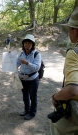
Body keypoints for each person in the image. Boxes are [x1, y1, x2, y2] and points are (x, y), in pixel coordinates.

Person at [50, 7, 78, 135]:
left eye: (69, 28)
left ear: (75, 31)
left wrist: (56, 97)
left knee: (57, 124)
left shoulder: (74, 54)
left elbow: (72, 89)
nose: (68, 32)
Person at [17, 34, 41, 120]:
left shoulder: (37, 54)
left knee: (33, 96)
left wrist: (27, 63)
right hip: (23, 79)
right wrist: (9, 57)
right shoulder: (21, 54)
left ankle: (32, 113)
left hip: (33, 79)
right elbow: (16, 63)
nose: (27, 45)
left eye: (29, 43)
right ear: (23, 44)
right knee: (25, 95)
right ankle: (27, 110)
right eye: (26, 43)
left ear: (33, 45)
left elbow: (37, 67)